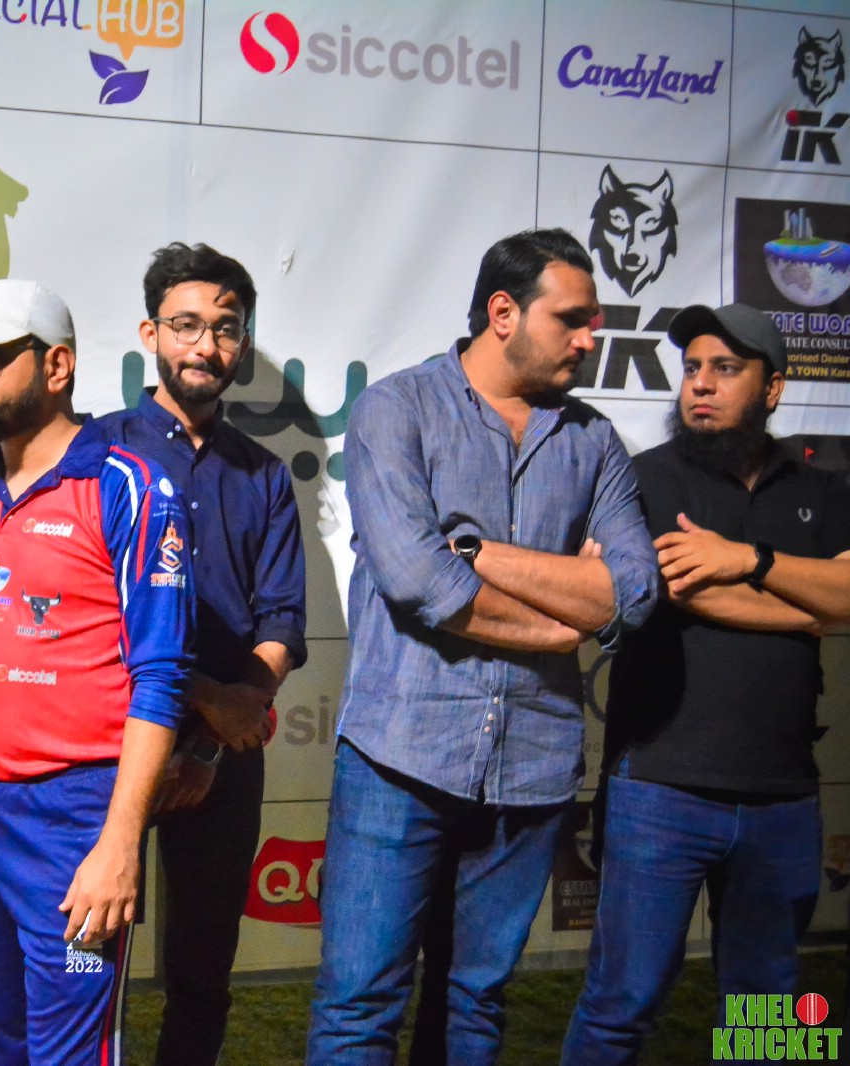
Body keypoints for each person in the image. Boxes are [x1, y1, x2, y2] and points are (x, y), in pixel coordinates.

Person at [305, 228, 659, 1065]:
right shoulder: (396, 408)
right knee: (359, 1007)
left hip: (531, 768)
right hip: (399, 757)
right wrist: (566, 619)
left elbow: (633, 593)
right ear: (503, 313)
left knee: (474, 1005)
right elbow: (417, 581)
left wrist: (477, 553)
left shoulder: (594, 441)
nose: (589, 340)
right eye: (571, 319)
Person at [562, 304, 850, 1063]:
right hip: (660, 787)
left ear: (772, 388)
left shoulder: (821, 488)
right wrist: (806, 607)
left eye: (725, 369)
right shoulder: (646, 478)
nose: (700, 384)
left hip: (783, 796)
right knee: (620, 1005)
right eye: (692, 368)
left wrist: (746, 560)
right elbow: (674, 590)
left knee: (766, 1015)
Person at [0, 279, 194, 1064]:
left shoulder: (130, 488)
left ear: (56, 366)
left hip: (75, 818)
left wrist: (118, 843)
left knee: (71, 1049)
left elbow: (161, 676)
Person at [96, 242, 306, 1065]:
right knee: (87, 952)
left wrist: (221, 729)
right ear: (149, 333)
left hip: (224, 757)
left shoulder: (262, 475)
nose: (204, 346)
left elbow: (281, 620)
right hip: (107, 744)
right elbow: (93, 619)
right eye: (185, 325)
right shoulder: (95, 453)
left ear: (241, 344)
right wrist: (205, 702)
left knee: (202, 969)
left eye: (224, 329)